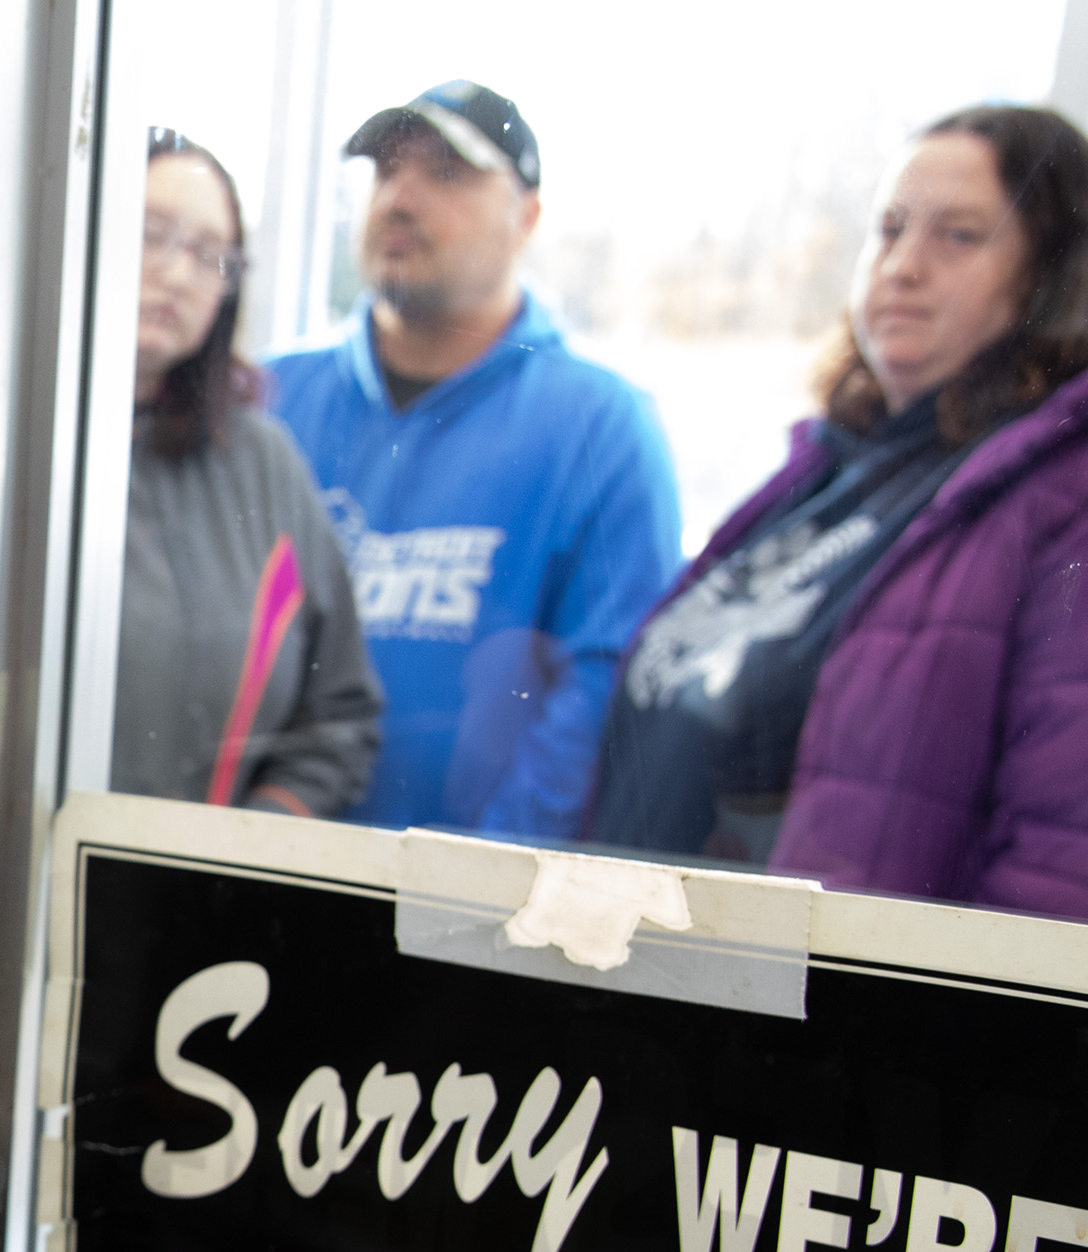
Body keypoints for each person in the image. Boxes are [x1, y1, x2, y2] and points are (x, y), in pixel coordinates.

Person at [586, 107, 1088, 932]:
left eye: (959, 236)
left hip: (838, 1045)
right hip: (652, 1014)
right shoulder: (835, 472)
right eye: (888, 229)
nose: (902, 265)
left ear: (1054, 270)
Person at [267, 82, 680, 839]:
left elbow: (601, 696)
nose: (400, 197)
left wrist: (472, 903)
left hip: (468, 916)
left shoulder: (603, 428)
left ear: (528, 216)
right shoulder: (267, 401)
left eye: (448, 174)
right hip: (236, 875)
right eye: (387, 171)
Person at [112, 130, 380, 817]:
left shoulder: (263, 464)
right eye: (150, 233)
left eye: (210, 256)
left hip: (190, 902)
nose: (177, 273)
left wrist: (247, 848)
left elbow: (339, 716)